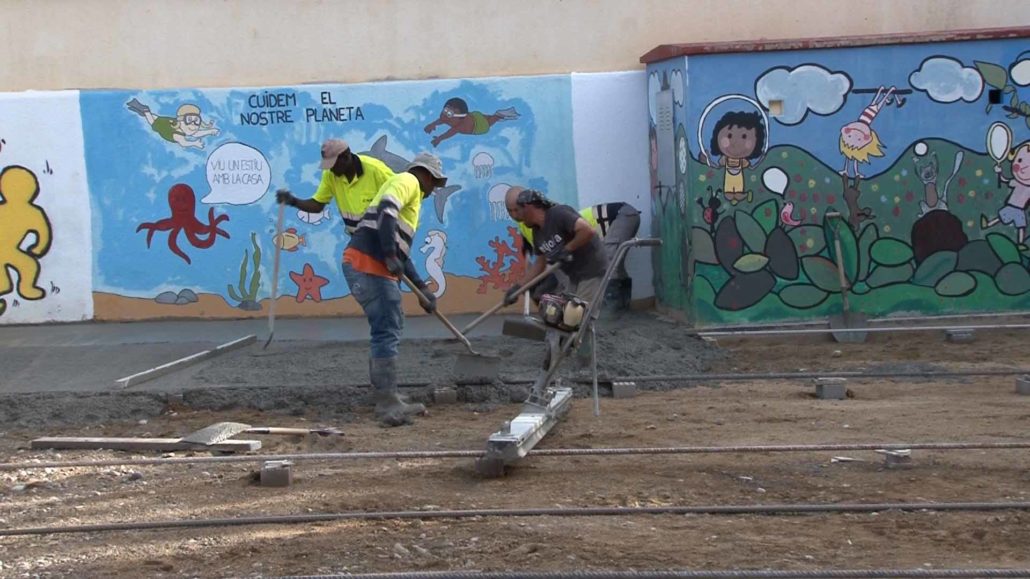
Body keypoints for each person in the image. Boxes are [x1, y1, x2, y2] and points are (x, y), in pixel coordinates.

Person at [341, 152, 447, 426]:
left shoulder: (410, 202)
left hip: (365, 265)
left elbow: (401, 254)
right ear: (426, 175)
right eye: (434, 183)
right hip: (369, 266)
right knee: (387, 330)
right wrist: (388, 253)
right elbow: (386, 211)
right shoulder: (408, 181)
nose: (433, 190)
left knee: (386, 329)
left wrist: (422, 289)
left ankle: (388, 398)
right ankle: (388, 404)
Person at [507, 187, 639, 311]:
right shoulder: (537, 232)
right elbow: (541, 264)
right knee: (612, 268)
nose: (515, 216)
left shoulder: (558, 216)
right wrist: (519, 287)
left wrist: (567, 249)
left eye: (517, 210)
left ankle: (612, 312)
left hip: (622, 215)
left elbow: (585, 233)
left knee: (611, 264)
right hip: (590, 248)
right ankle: (617, 308)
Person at [276, 139, 394, 234]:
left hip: (383, 237)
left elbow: (404, 196)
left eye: (334, 164)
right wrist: (293, 201)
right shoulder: (330, 174)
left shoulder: (376, 170)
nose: (331, 169)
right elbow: (317, 205)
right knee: (349, 263)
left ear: (346, 157)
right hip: (358, 238)